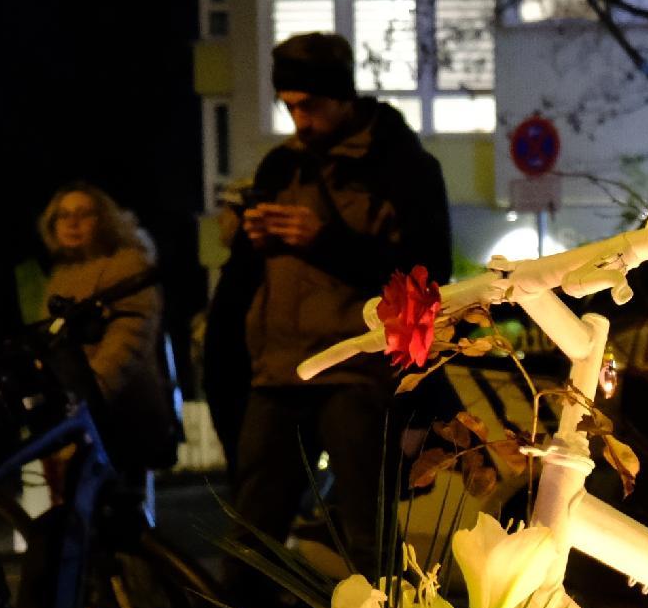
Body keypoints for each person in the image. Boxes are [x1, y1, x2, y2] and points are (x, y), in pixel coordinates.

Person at [202, 30, 451, 580]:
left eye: (309, 105)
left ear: (343, 96)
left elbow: (430, 275)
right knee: (250, 537)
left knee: (368, 538)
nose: (299, 120)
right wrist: (252, 239)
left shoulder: (402, 166)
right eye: (289, 106)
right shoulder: (280, 167)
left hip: (357, 375)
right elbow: (247, 280)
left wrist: (325, 241)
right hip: (277, 373)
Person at [36, 183, 174, 482]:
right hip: (78, 414)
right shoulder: (62, 273)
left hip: (121, 411)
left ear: (104, 219)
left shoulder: (126, 264)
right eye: (63, 215)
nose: (72, 222)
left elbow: (128, 341)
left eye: (84, 214)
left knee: (118, 510)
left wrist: (87, 396)